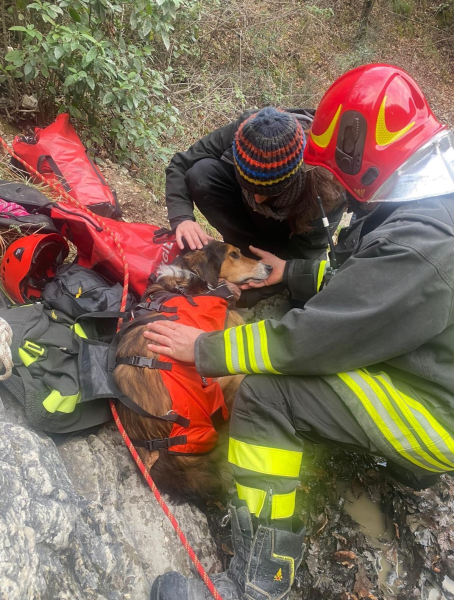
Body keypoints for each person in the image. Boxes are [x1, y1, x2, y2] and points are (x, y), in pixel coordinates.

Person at [146, 64, 454, 600]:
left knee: (267, 392)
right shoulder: (423, 200)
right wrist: (292, 273)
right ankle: (407, 465)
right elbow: (368, 284)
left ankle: (259, 578)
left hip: (437, 413)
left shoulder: (420, 245)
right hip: (432, 367)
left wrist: (206, 349)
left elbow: (311, 341)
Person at [165, 106, 346, 263]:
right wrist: (182, 218)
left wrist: (265, 283)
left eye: (270, 192)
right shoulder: (245, 134)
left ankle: (270, 258)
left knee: (300, 288)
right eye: (250, 189)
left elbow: (305, 253)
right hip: (250, 225)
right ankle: (245, 249)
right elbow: (180, 164)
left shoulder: (329, 184)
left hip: (294, 233)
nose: (258, 200)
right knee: (201, 173)